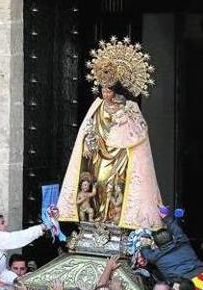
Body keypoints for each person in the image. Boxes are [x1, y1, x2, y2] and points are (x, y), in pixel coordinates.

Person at [56, 38, 163, 229]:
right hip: (100, 155)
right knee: (100, 183)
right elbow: (89, 129)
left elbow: (140, 130)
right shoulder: (97, 106)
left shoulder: (130, 106)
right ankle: (97, 218)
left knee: (116, 186)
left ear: (115, 90)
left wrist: (123, 122)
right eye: (102, 90)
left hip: (122, 154)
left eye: (108, 90)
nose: (105, 94)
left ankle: (113, 220)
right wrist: (89, 145)